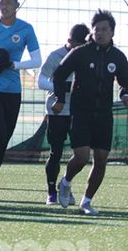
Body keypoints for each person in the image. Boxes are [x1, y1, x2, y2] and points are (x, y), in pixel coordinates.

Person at [53, 10, 128, 215]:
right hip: (81, 113)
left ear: (112, 33)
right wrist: (59, 98)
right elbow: (59, 74)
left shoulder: (119, 57)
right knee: (82, 156)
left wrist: (125, 95)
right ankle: (66, 182)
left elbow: (125, 83)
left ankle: (86, 202)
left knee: (101, 159)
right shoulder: (81, 52)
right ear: (92, 32)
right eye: (97, 29)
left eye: (105, 30)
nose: (100, 33)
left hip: (104, 115)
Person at [0, 0, 41, 205]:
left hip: (13, 91)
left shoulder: (25, 29)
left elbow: (37, 60)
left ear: (17, 5)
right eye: (1, 3)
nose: (4, 6)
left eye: (8, 2)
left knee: (4, 139)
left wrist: (13, 65)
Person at [37, 23, 89, 205]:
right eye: (77, 45)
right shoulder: (55, 56)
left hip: (78, 111)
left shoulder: (87, 55)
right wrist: (61, 88)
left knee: (80, 154)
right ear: (69, 41)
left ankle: (66, 184)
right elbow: (41, 81)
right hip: (57, 111)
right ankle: (51, 192)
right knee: (55, 152)